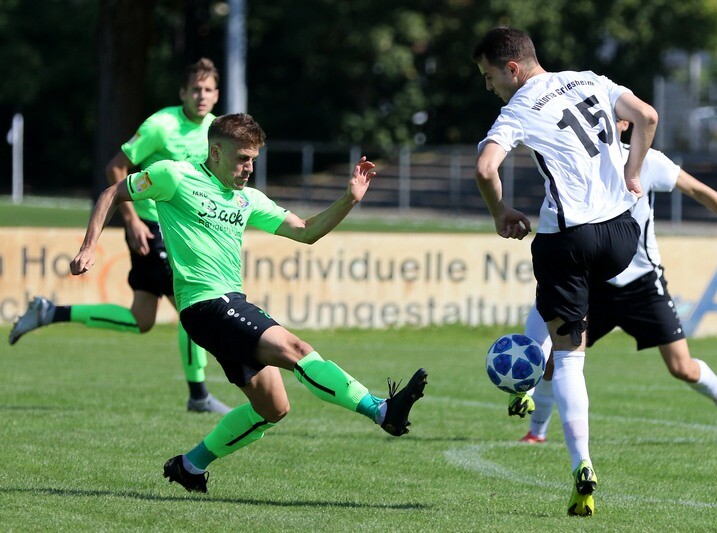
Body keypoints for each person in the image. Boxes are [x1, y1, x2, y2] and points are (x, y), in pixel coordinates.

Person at [69, 113, 428, 494]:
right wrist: (89, 247)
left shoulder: (247, 199)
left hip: (227, 305)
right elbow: (112, 192)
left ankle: (189, 466)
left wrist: (350, 199)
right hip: (206, 305)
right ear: (215, 152)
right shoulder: (173, 175)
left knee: (273, 408)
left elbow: (306, 232)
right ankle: (380, 410)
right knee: (296, 349)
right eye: (242, 158)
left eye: (254, 159)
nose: (249, 168)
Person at [472, 27, 658, 516]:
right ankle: (532, 373)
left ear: (512, 68)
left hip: (569, 239)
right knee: (557, 305)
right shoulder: (590, 79)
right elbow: (647, 117)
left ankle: (581, 462)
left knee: (570, 357)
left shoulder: (518, 107)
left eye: (489, 76)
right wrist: (633, 172)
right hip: (621, 235)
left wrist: (500, 212)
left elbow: (485, 168)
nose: (489, 86)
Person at [515, 119, 717, 445]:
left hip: (642, 284)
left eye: (610, 117)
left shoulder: (647, 161)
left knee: (682, 367)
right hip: (596, 284)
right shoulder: (580, 160)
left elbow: (698, 189)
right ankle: (536, 433)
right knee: (554, 362)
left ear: (624, 124)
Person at [9, 58, 231, 414]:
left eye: (207, 90)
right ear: (182, 93)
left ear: (217, 95)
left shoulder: (215, 130)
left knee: (141, 319)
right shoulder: (161, 125)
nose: (201, 96)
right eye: (195, 89)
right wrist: (131, 220)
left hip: (184, 232)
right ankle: (199, 394)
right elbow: (116, 166)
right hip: (153, 231)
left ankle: (51, 313)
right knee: (194, 307)